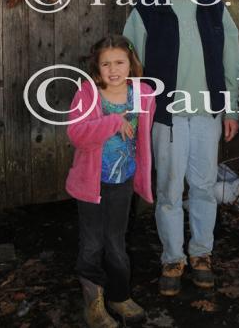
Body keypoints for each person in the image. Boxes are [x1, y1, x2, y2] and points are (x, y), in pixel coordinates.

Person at [124, 0, 239, 296]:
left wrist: (231, 108)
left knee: (204, 187)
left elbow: (231, 60)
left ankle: (202, 254)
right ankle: (173, 258)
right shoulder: (146, 8)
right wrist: (135, 114)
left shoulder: (214, 6)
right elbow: (132, 67)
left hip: (207, 113)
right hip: (166, 116)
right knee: (170, 189)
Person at [66, 35, 155, 328]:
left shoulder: (143, 93)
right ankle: (93, 303)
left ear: (131, 64)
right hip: (90, 183)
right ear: (97, 67)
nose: (113, 69)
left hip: (123, 181)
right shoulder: (88, 93)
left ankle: (119, 295)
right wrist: (113, 122)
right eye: (106, 64)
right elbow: (76, 134)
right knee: (92, 243)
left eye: (120, 62)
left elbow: (143, 138)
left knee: (116, 241)